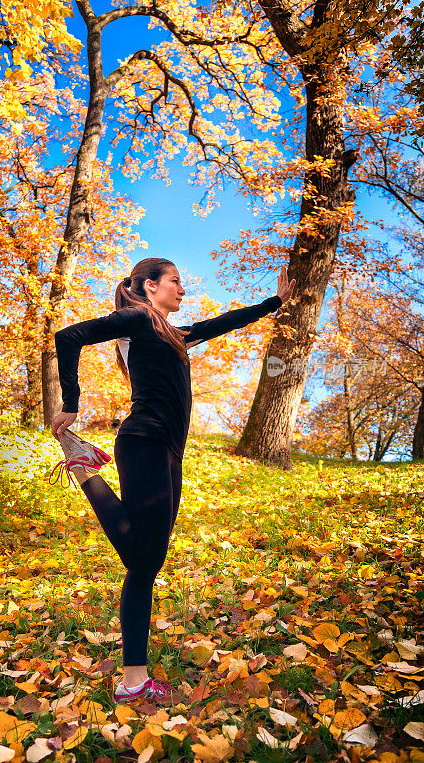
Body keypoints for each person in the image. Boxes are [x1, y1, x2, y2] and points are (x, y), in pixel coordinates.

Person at [50, 258, 295, 704]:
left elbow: (221, 323)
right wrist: (71, 400)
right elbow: (69, 336)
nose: (183, 289)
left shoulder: (173, 334)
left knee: (146, 562)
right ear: (150, 286)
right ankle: (84, 468)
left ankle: (134, 682)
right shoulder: (140, 319)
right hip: (144, 440)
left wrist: (273, 303)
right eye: (176, 281)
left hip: (168, 452)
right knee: (143, 563)